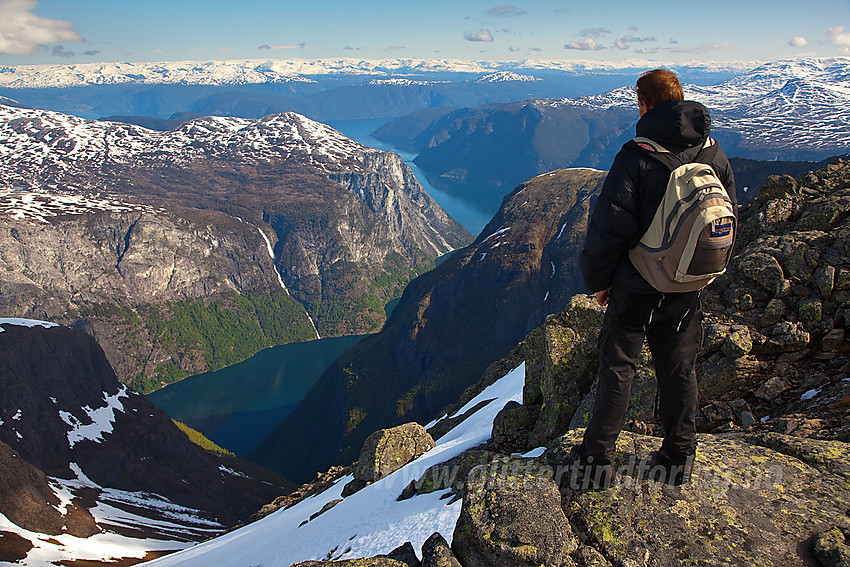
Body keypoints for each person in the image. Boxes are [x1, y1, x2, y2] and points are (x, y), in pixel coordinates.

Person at [574, 69, 736, 486]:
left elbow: (609, 230)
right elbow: (729, 212)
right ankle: (679, 456)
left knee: (619, 366)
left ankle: (596, 463)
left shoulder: (637, 156)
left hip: (639, 282)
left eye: (638, 101)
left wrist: (600, 281)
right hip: (687, 282)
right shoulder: (713, 152)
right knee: (680, 368)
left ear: (645, 103)